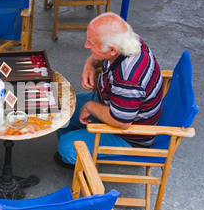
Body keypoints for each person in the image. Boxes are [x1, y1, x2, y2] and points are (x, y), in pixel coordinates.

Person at [55, 12, 163, 168]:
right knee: (61, 108)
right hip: (111, 102)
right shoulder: (128, 38)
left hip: (128, 134)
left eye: (91, 43)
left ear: (112, 50)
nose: (86, 45)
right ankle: (78, 143)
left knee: (67, 147)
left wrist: (90, 107)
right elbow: (100, 55)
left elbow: (121, 122)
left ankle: (74, 155)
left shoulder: (129, 79)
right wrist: (90, 64)